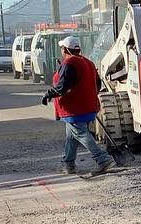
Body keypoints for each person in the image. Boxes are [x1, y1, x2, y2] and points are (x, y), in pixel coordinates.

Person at [42, 36, 115, 177]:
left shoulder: (70, 64)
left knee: (80, 133)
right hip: (88, 106)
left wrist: (49, 94)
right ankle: (68, 164)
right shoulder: (87, 62)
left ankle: (103, 160)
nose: (61, 51)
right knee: (71, 136)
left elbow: (62, 86)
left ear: (65, 49)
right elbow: (97, 84)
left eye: (62, 48)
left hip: (74, 108)